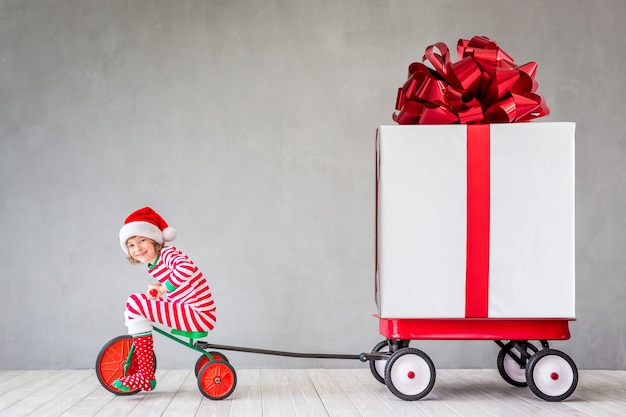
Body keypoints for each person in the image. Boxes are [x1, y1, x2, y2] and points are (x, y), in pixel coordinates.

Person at [112, 206, 216, 392]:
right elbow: (179, 286)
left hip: (198, 313)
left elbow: (186, 268)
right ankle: (144, 369)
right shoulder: (155, 264)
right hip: (189, 309)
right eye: (131, 245)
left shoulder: (168, 254)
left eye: (142, 240)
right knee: (137, 304)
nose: (137, 248)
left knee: (135, 303)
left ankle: (145, 375)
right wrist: (158, 288)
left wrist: (163, 288)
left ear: (155, 240)